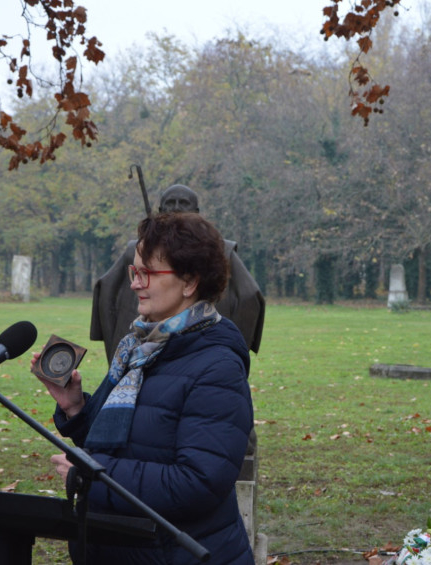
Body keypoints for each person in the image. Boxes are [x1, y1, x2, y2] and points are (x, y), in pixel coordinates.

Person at [34, 213, 255, 565]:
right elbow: (128, 444)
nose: (135, 284)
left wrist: (94, 474)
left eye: (147, 273)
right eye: (133, 272)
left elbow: (198, 483)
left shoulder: (217, 367)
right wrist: (76, 408)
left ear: (189, 282)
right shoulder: (138, 348)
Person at [91, 184, 265, 365]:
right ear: (160, 211)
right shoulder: (138, 250)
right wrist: (111, 338)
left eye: (183, 203)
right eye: (171, 203)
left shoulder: (222, 250)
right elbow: (106, 290)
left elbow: (249, 296)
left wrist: (239, 343)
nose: (176, 208)